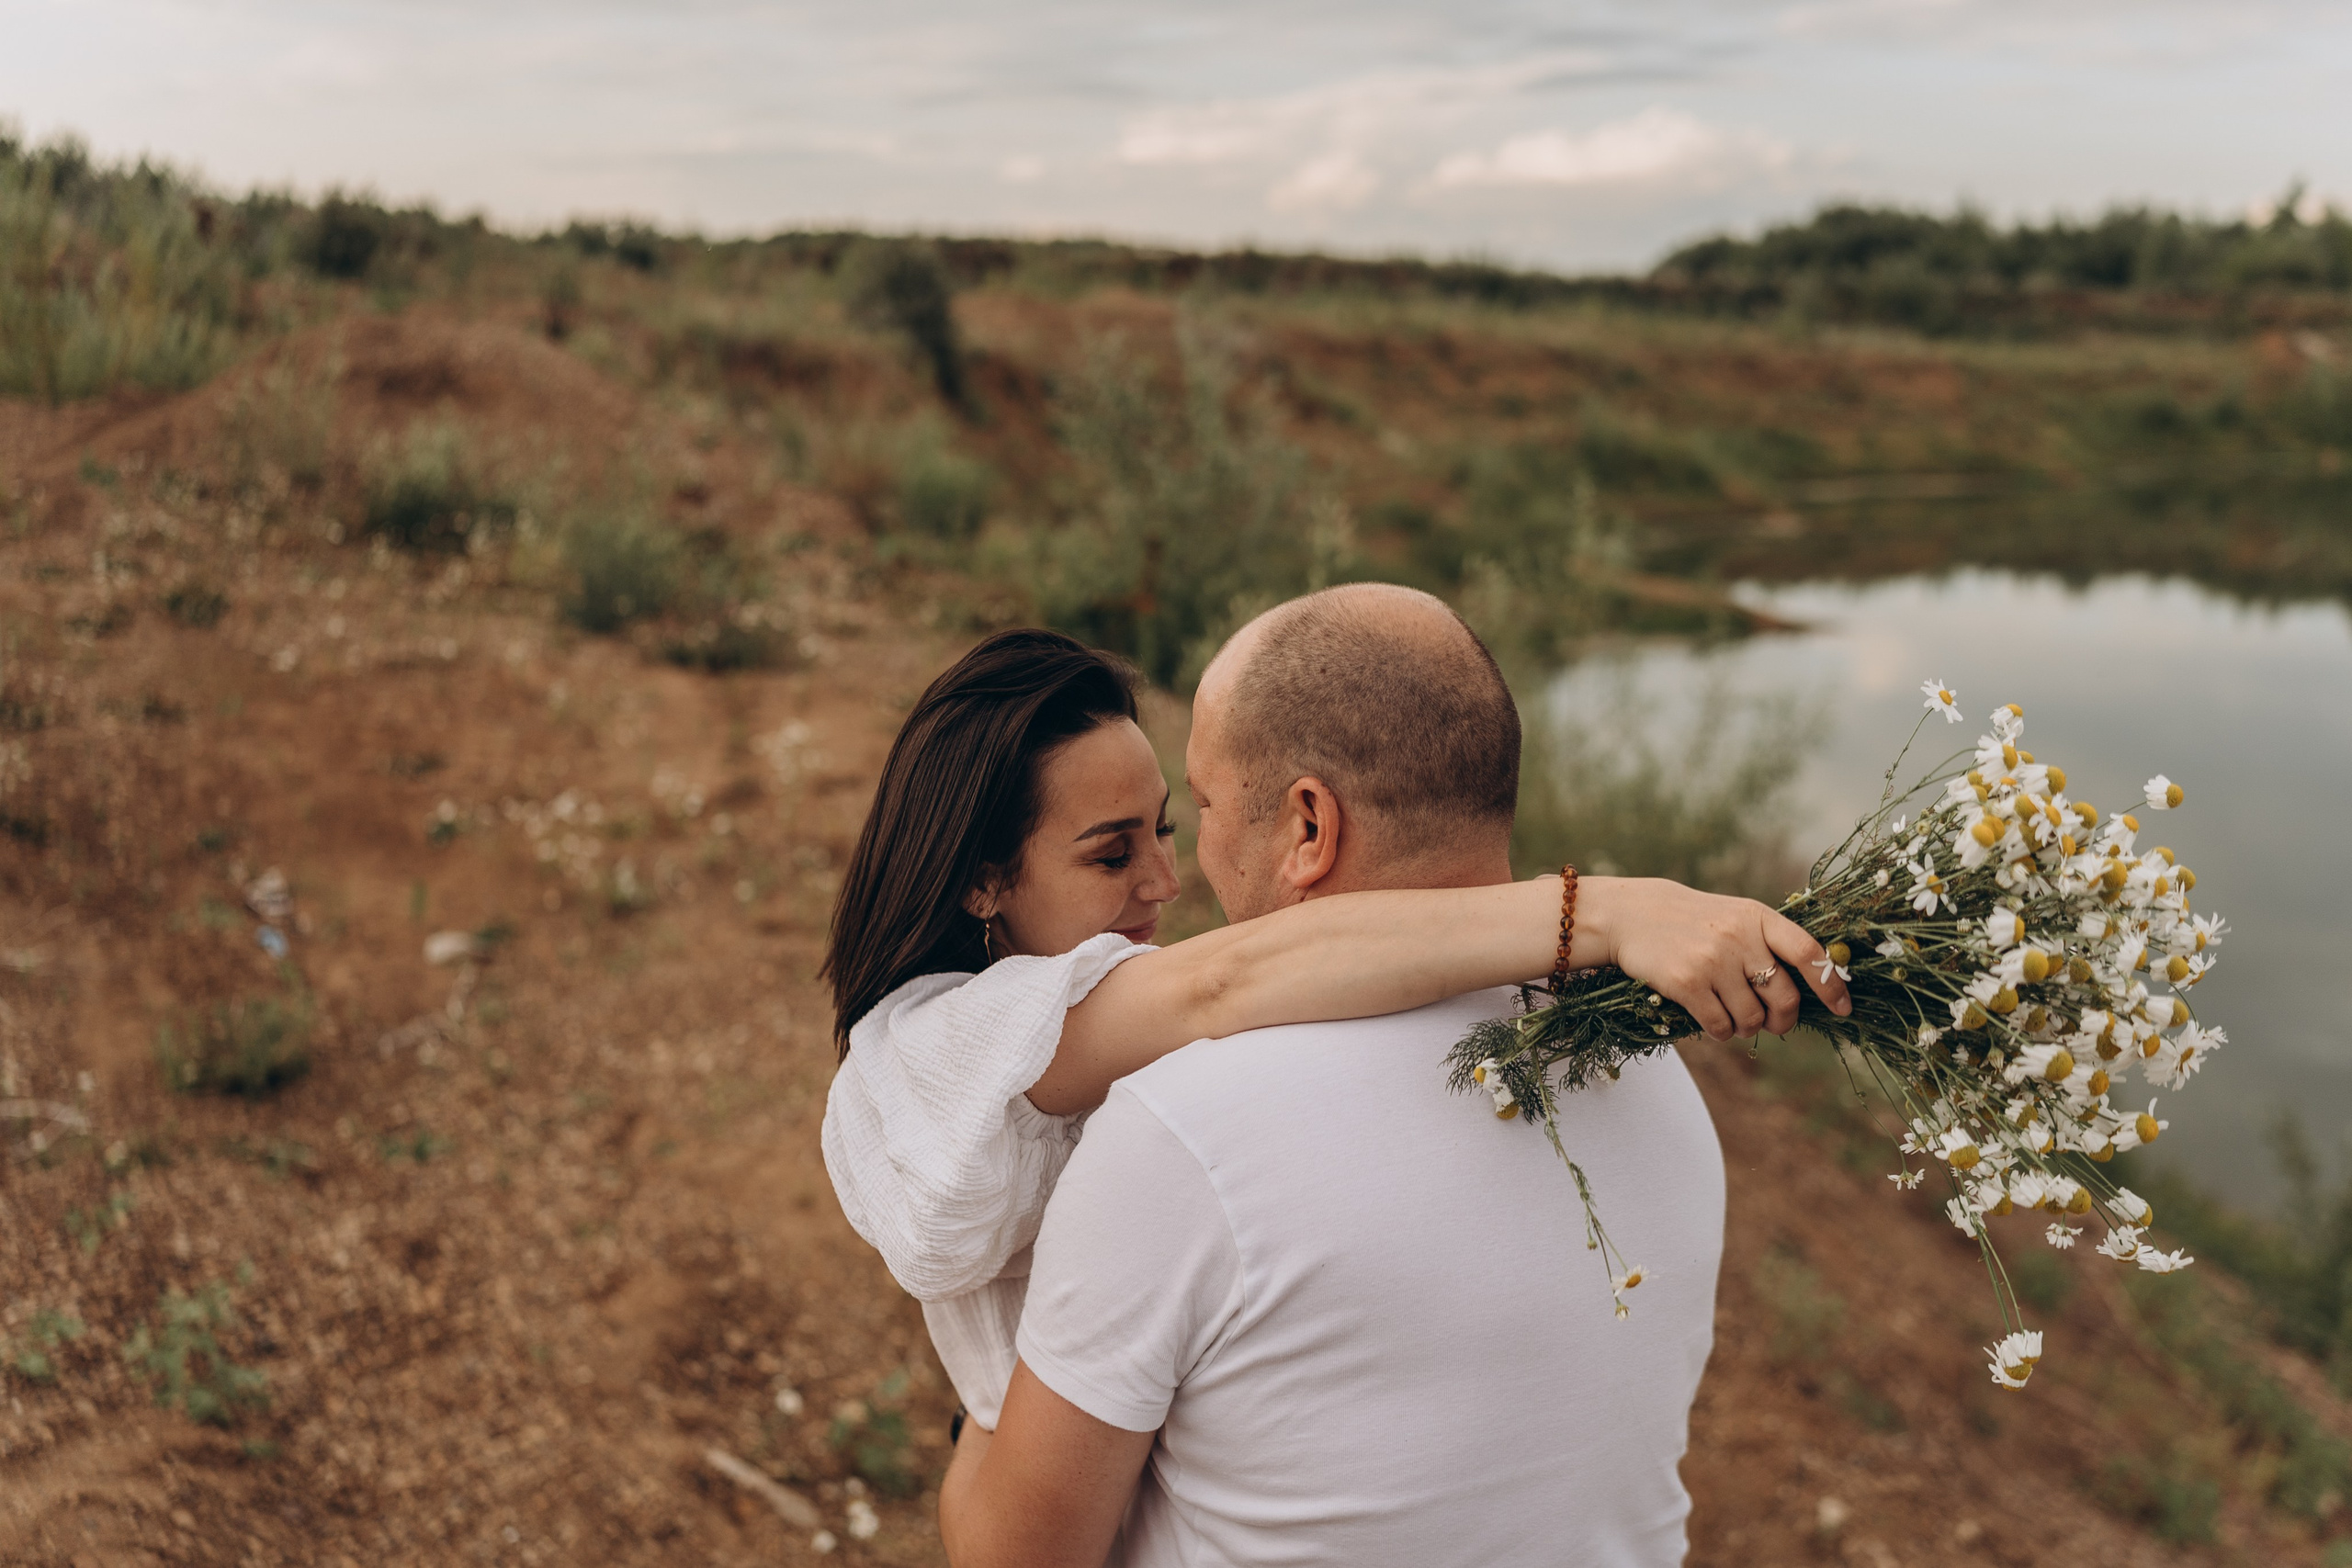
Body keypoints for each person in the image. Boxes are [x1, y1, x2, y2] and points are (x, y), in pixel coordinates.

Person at [820, 611, 1846, 1453]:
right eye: (1110, 854)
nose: (1166, 882)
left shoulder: (1129, 1049)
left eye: (1171, 827)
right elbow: (1223, 982)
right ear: (982, 880)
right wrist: (1600, 915)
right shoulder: (943, 1043)